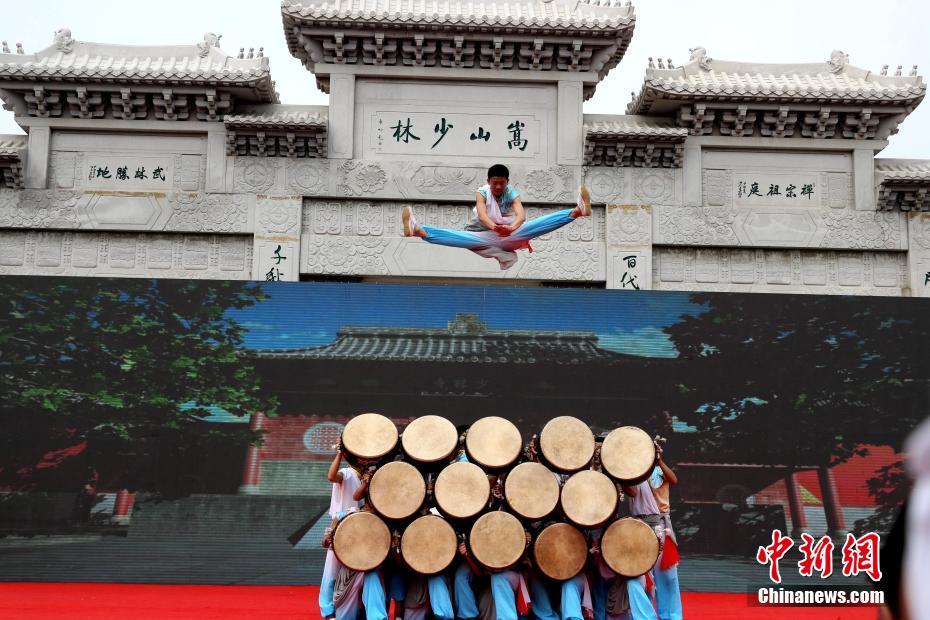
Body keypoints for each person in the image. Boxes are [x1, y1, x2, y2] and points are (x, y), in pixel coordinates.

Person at [401, 164, 592, 270]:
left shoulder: (511, 192)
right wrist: (495, 228)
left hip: (510, 233)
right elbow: (482, 215)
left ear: (507, 182)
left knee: (535, 226)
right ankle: (418, 230)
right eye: (495, 183)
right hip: (487, 234)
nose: (498, 187)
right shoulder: (482, 192)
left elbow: (521, 214)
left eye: (502, 183)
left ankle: (577, 211)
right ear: (488, 182)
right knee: (460, 238)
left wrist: (511, 228)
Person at [647, 444, 682, 620]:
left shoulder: (660, 470)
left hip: (662, 524)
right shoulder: (633, 471)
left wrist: (659, 461)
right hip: (641, 525)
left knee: (668, 574)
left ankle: (671, 615)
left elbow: (674, 480)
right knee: (642, 575)